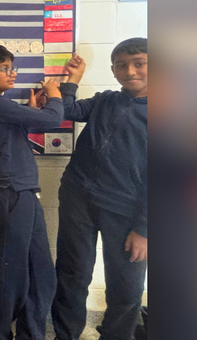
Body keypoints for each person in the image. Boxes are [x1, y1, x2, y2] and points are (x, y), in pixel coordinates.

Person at [51, 38, 148, 340]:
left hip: (126, 210)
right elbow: (67, 110)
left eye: (139, 63)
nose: (129, 71)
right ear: (113, 70)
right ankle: (65, 335)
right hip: (78, 198)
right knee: (72, 275)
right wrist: (72, 81)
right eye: (121, 65)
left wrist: (144, 228)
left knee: (126, 286)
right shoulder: (105, 100)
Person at [0, 43, 61, 340]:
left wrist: (29, 114)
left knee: (42, 272)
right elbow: (53, 120)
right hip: (8, 192)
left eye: (12, 68)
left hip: (23, 191)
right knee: (12, 273)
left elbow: (10, 137)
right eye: (5, 69)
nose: (12, 73)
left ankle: (31, 333)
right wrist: (57, 95)